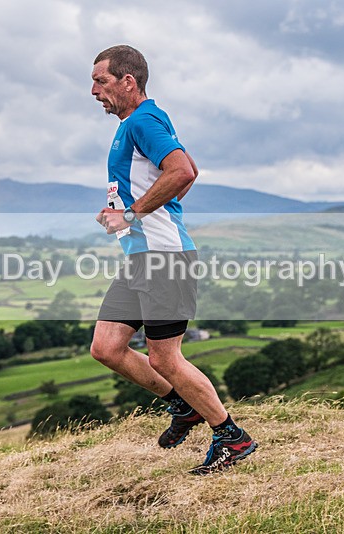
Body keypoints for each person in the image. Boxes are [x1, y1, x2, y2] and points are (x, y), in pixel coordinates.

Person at [89, 45, 256, 475]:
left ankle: (230, 437)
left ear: (129, 81)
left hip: (164, 258)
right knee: (107, 348)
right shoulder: (140, 121)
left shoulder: (142, 119)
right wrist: (134, 214)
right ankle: (185, 407)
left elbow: (182, 171)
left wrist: (131, 213)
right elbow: (187, 171)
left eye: (101, 81)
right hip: (141, 257)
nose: (93, 91)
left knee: (165, 359)